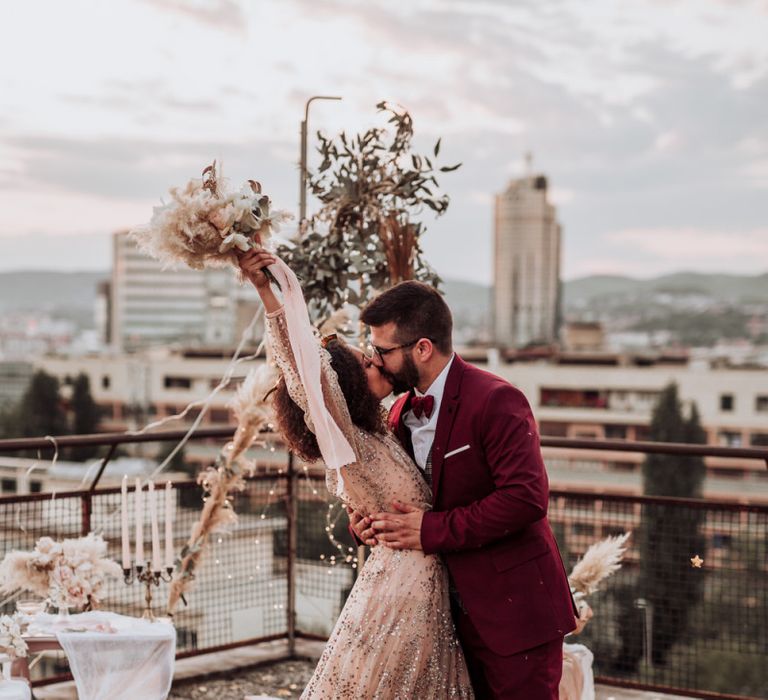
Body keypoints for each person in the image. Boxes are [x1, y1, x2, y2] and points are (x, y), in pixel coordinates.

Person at [238, 249, 473, 699]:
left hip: (416, 584)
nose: (377, 362)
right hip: (404, 590)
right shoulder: (348, 439)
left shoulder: (381, 431)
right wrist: (270, 292)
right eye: (367, 363)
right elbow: (302, 369)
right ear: (342, 394)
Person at [350, 280, 578, 699]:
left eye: (383, 351)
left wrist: (429, 531)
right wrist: (367, 523)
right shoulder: (400, 411)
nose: (376, 361)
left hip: (514, 615)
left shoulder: (497, 400)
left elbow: (525, 498)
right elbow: (406, 496)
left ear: (421, 349)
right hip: (440, 618)